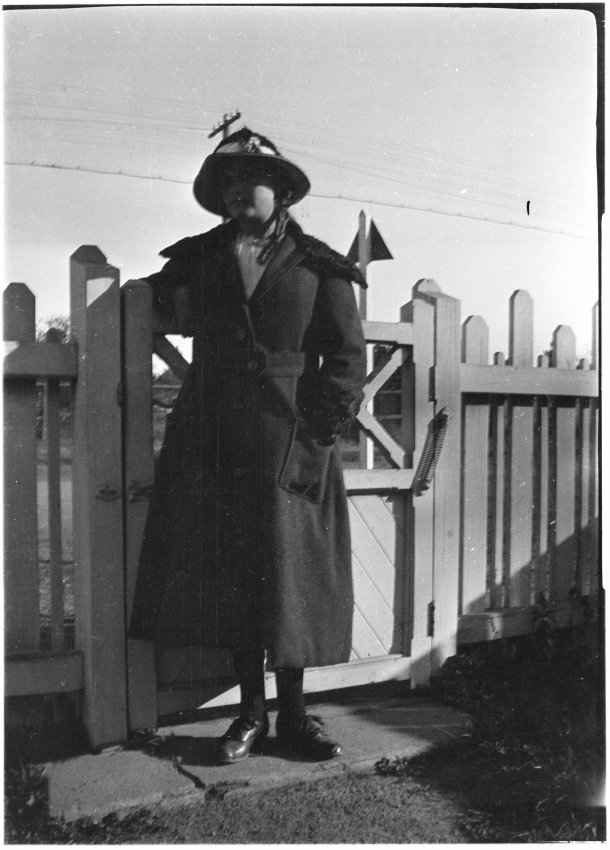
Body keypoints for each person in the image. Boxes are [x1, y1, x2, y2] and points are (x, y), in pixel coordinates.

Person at [129, 127, 367, 764]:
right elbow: (151, 297)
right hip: (213, 438)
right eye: (225, 183)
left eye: (248, 181)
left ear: (282, 189)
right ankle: (250, 717)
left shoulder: (319, 266)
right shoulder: (201, 257)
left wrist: (315, 439)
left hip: (291, 440)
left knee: (289, 579)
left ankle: (296, 718)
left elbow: (346, 360)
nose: (237, 192)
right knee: (232, 575)